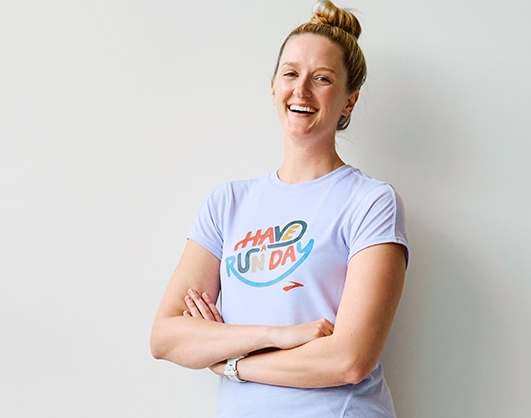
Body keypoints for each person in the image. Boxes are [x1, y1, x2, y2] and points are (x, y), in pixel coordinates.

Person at [150, 1, 409, 416]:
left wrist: (230, 362)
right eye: (290, 73)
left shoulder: (371, 202)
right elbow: (166, 337)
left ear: (349, 101)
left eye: (322, 78)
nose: (301, 90)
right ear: (273, 87)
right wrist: (279, 335)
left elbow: (349, 359)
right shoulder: (227, 203)